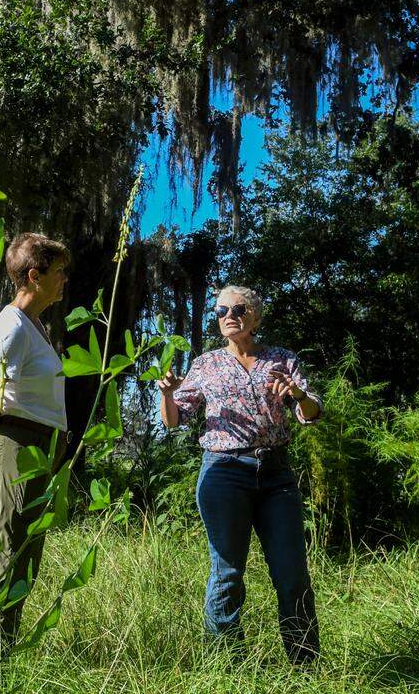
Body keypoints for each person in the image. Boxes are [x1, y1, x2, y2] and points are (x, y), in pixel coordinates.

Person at [158, 284, 322, 663]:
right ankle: (225, 666)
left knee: (292, 574)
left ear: (255, 316)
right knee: (227, 573)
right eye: (220, 311)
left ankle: (306, 666)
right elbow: (174, 421)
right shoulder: (205, 365)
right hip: (224, 473)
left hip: (276, 474)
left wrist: (297, 395)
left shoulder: (281, 359)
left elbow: (311, 414)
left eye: (238, 308)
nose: (228, 315)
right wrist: (166, 394)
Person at [0, 232, 71, 669]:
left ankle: (1, 662)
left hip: (37, 449)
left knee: (25, 560)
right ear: (35, 275)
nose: (65, 279)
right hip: (19, 446)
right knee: (11, 558)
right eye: (60, 271)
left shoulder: (33, 327)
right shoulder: (12, 326)